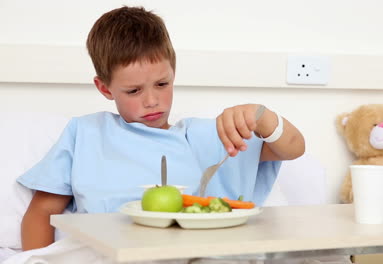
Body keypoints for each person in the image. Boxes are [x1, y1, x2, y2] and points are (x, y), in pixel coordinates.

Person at [17, 6, 305, 251]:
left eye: (162, 84)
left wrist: (263, 116)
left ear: (173, 73)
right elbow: (42, 211)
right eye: (133, 91)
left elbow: (293, 148)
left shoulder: (210, 136)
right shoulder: (85, 133)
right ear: (105, 88)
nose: (152, 101)